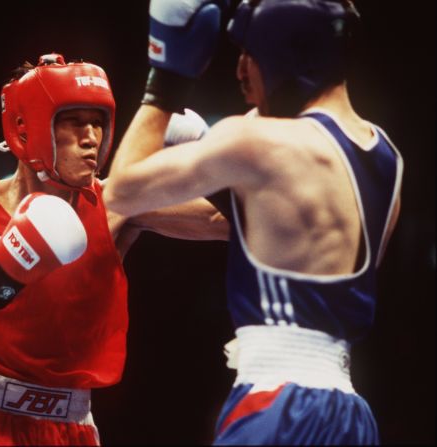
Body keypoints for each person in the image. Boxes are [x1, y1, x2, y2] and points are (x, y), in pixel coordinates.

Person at [103, 0, 403, 444]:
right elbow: (279, 242)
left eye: (250, 53)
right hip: (352, 413)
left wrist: (166, 80)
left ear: (286, 53)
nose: (241, 71)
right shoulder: (387, 158)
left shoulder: (257, 142)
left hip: (278, 404)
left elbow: (121, 190)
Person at [0, 53, 226, 446]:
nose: (92, 138)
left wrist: (210, 154)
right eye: (74, 121)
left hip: (71, 429)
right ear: (25, 128)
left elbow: (233, 225)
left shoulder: (115, 205)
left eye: (98, 122)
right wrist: (2, 279)